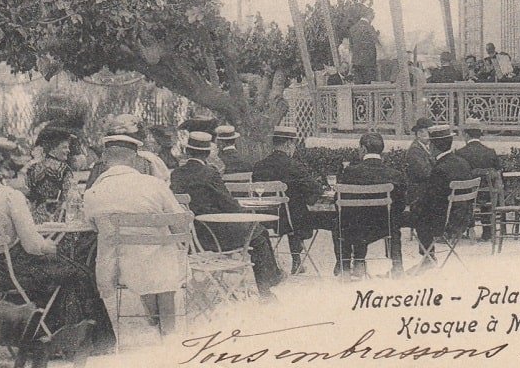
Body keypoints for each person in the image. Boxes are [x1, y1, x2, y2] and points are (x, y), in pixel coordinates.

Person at [0, 136, 106, 335]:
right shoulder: (10, 197)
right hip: (16, 272)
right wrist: (48, 246)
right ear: (1, 166)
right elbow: (32, 246)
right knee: (78, 272)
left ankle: (43, 328)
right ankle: (85, 337)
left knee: (58, 269)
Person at [83, 140, 186, 337]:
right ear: (135, 159)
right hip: (162, 270)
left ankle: (154, 321)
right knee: (160, 257)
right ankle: (168, 334)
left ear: (104, 160)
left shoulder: (92, 193)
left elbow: (92, 227)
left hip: (118, 269)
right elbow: (180, 224)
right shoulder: (154, 185)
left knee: (139, 257)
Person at [169, 132, 282, 298]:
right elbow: (228, 203)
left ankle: (273, 278)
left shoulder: (176, 174)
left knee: (257, 231)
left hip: (191, 238)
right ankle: (267, 289)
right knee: (258, 233)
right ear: (207, 153)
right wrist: (245, 214)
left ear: (188, 151)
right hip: (214, 236)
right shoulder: (209, 172)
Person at [251, 126, 321, 275]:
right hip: (290, 221)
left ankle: (284, 263)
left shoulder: (258, 166)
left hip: (266, 219)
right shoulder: (294, 166)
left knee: (291, 207)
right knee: (295, 208)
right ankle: (297, 261)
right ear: (289, 144)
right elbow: (315, 189)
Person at [336, 133, 406, 278]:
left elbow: (338, 203)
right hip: (385, 227)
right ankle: (398, 267)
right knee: (394, 222)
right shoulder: (395, 174)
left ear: (363, 149)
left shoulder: (350, 172)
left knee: (342, 221)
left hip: (354, 228)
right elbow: (400, 206)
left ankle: (346, 267)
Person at [411, 125, 473, 272]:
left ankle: (428, 258)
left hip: (446, 224)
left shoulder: (439, 169)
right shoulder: (463, 163)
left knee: (418, 214)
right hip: (464, 219)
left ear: (432, 146)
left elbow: (431, 202)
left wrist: (415, 205)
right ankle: (428, 258)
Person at [25, 127, 76, 221]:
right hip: (56, 220)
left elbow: (29, 194)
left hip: (35, 219)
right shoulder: (64, 169)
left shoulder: (32, 169)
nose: (68, 150)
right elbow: (68, 197)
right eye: (64, 147)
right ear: (53, 149)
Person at [404, 117, 435, 210]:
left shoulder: (432, 146)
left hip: (428, 190)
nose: (425, 134)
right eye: (421, 131)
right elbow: (425, 173)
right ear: (417, 134)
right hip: (419, 193)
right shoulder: (414, 151)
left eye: (427, 131)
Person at [348, 9, 379, 85]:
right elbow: (377, 43)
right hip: (369, 63)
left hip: (356, 62)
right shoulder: (369, 28)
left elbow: (351, 47)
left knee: (359, 87)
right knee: (369, 87)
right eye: (372, 17)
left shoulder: (352, 28)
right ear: (369, 15)